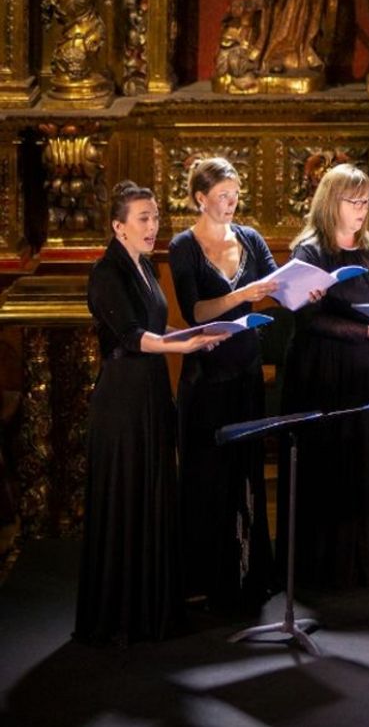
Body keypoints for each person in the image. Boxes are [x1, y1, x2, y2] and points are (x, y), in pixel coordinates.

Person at [76, 182, 228, 646]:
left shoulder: (144, 266)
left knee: (155, 491)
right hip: (122, 400)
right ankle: (122, 615)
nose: (152, 226)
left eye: (156, 217)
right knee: (128, 497)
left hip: (151, 391)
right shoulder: (106, 272)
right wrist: (181, 344)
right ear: (118, 226)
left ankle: (153, 605)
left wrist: (196, 333)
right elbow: (130, 336)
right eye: (142, 218)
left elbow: (156, 326)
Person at [279, 163, 369, 590]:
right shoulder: (310, 252)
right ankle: (331, 568)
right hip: (329, 373)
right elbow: (307, 320)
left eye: (367, 201)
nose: (363, 210)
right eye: (354, 201)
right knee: (335, 465)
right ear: (332, 202)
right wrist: (364, 331)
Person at [168, 157, 280, 612]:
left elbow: (273, 284)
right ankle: (204, 578)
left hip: (246, 371)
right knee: (207, 475)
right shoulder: (183, 246)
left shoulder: (250, 238)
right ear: (200, 198)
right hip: (207, 377)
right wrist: (238, 297)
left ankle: (249, 572)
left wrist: (298, 289)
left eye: (235, 195)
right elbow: (195, 311)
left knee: (246, 470)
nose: (231, 203)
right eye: (222, 197)